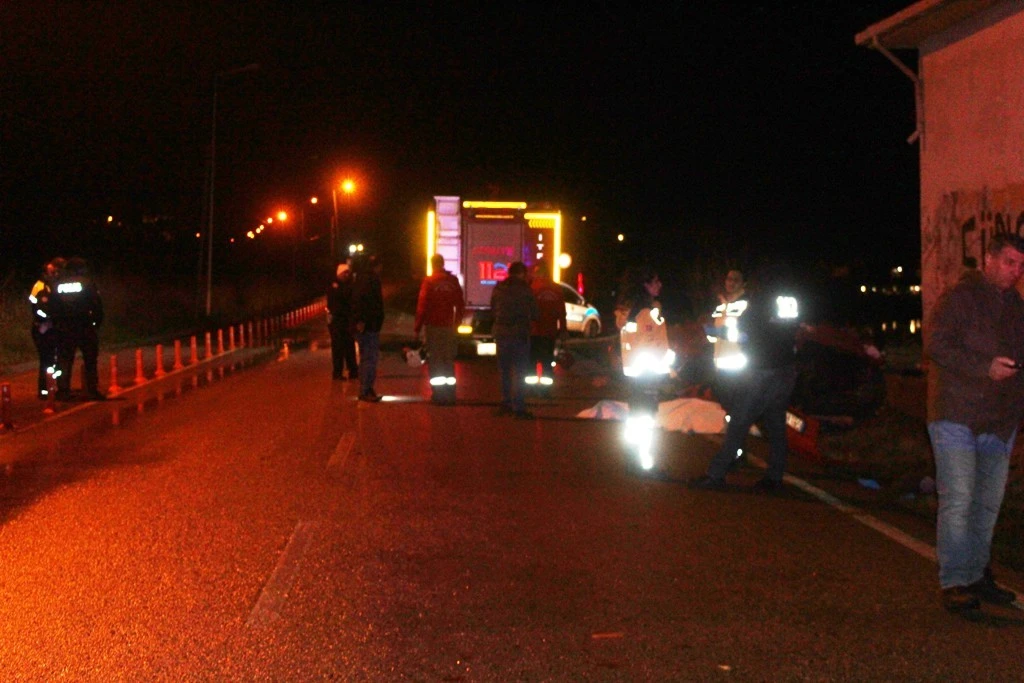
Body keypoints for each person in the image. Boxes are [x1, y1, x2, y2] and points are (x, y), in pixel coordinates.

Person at [925, 232, 1024, 613]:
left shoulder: (1016, 306)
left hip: (999, 419)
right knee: (959, 499)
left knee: (987, 504)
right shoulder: (961, 297)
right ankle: (954, 581)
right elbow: (937, 345)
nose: (1015, 271)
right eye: (1009, 262)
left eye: (1020, 265)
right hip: (957, 413)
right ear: (989, 259)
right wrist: (984, 368)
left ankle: (976, 573)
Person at [690, 262, 800, 492]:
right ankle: (775, 477)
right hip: (786, 369)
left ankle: (716, 474)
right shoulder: (790, 301)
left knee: (739, 421)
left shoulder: (760, 302)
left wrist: (718, 333)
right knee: (776, 425)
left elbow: (745, 332)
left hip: (763, 370)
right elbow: (793, 331)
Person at [49, 256, 105, 401]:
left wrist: (57, 325)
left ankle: (63, 391)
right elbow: (96, 306)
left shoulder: (57, 284)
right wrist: (95, 324)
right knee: (90, 360)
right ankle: (92, 390)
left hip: (64, 328)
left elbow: (52, 307)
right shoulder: (87, 283)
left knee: (64, 360)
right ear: (80, 269)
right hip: (84, 326)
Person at [415, 253, 465, 405]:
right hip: (448, 327)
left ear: (432, 264)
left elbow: (422, 306)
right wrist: (456, 323)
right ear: (443, 264)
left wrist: (417, 328)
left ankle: (438, 395)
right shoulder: (452, 281)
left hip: (434, 327)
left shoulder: (429, 281)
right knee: (448, 360)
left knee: (435, 361)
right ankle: (450, 394)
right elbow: (460, 304)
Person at [490, 261, 538, 418]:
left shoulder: (499, 288)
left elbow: (493, 309)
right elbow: (535, 313)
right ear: (522, 274)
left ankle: (505, 402)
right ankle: (519, 407)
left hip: (501, 333)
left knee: (504, 370)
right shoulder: (526, 290)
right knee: (519, 371)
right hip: (519, 334)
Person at [708, 268, 749, 416]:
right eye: (729, 279)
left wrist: (724, 333)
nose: (731, 283)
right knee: (724, 408)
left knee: (736, 408)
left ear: (743, 283)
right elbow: (715, 335)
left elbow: (748, 335)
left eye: (735, 280)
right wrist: (709, 333)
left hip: (737, 367)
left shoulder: (746, 306)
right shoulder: (721, 305)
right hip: (720, 366)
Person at [527, 260, 567, 390]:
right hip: (550, 332)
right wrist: (563, 330)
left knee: (532, 361)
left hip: (534, 331)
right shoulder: (556, 289)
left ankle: (532, 389)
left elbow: (527, 310)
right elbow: (561, 312)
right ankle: (545, 390)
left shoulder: (532, 288)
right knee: (547, 361)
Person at [29, 257, 66, 399]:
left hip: (51, 326)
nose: (55, 273)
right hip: (43, 327)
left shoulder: (54, 285)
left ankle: (53, 387)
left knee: (54, 359)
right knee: (46, 359)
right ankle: (44, 390)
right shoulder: (41, 286)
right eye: (52, 271)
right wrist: (49, 318)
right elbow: (37, 308)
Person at [351, 255, 385, 402]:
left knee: (367, 357)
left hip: (368, 324)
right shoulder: (370, 280)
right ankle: (366, 390)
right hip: (369, 325)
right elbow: (364, 301)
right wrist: (361, 320)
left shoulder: (361, 278)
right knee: (369, 358)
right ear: (377, 266)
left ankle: (366, 388)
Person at [327, 261, 358, 381]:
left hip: (347, 320)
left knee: (349, 346)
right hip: (337, 321)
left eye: (348, 273)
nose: (347, 275)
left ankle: (353, 370)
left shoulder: (349, 285)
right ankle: (337, 372)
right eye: (345, 273)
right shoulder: (335, 286)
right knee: (338, 347)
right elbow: (339, 301)